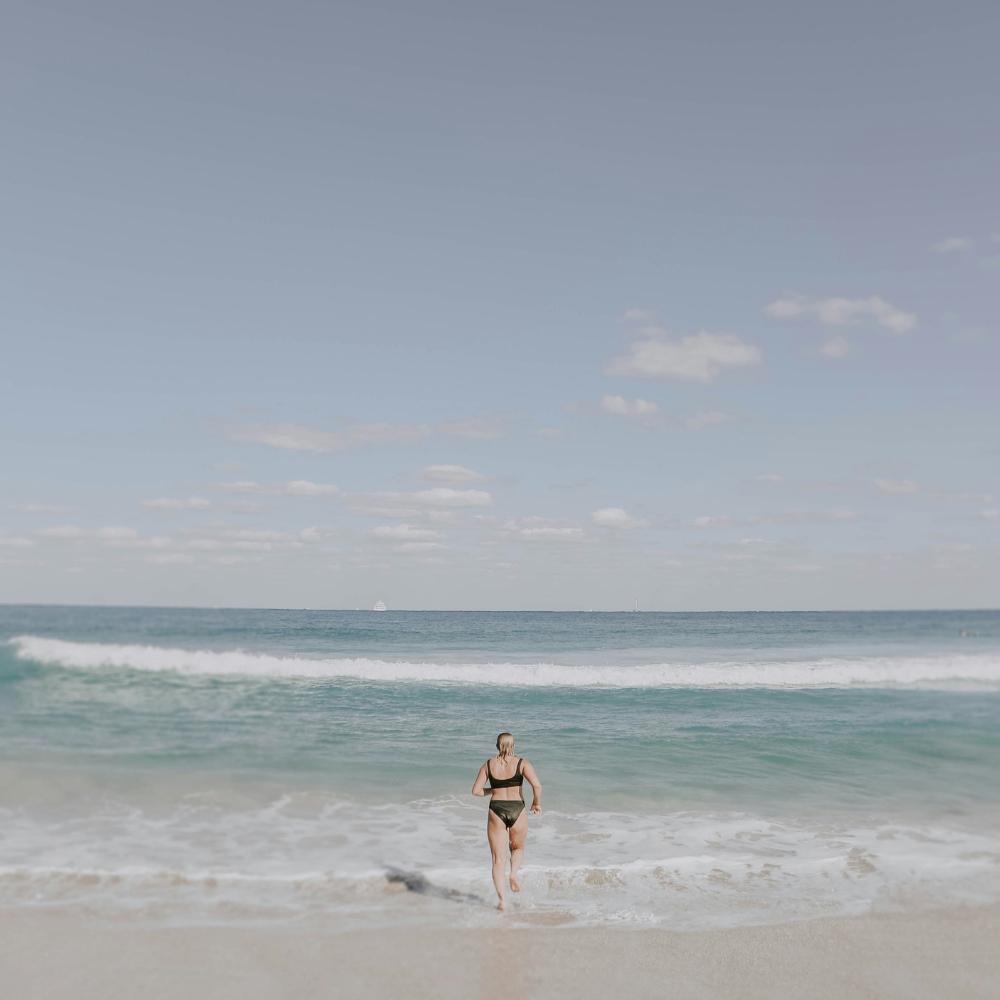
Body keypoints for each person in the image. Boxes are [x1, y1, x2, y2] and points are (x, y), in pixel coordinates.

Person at [471, 732, 542, 910]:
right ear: (513, 745)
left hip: (496, 810)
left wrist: (493, 790)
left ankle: (502, 901)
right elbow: (537, 785)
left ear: (497, 746)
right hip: (517, 808)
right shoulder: (522, 763)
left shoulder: (488, 765)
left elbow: (476, 791)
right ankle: (513, 874)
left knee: (497, 860)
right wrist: (536, 803)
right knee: (518, 848)